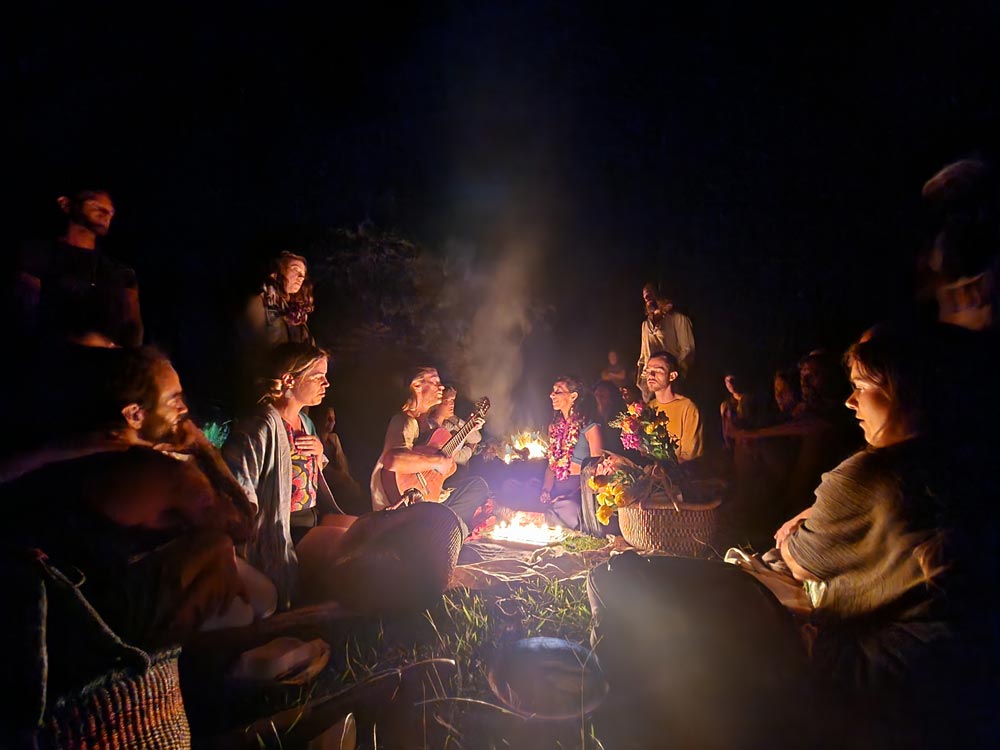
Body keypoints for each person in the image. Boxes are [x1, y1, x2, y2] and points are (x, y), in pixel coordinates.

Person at [0, 346, 263, 648]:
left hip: (65, 612)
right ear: (135, 415)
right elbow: (243, 524)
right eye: (173, 401)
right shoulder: (164, 475)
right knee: (222, 555)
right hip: (113, 631)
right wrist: (203, 448)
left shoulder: (76, 453)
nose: (183, 410)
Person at [224, 343, 352, 610]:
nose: (326, 383)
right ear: (289, 379)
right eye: (318, 376)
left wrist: (319, 451)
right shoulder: (259, 427)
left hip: (312, 515)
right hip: (285, 528)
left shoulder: (305, 423)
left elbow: (310, 471)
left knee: (364, 527)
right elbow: (236, 487)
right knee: (348, 546)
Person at [15, 188, 143, 347]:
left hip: (110, 365)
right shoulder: (38, 255)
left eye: (111, 211)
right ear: (65, 204)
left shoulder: (122, 272)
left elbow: (132, 329)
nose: (106, 213)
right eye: (96, 205)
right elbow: (25, 315)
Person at [370, 367, 489, 538]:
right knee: (456, 529)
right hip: (399, 508)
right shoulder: (404, 420)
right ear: (416, 386)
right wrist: (437, 461)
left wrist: (469, 427)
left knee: (477, 486)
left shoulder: (432, 428)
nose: (440, 387)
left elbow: (446, 461)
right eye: (434, 382)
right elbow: (393, 460)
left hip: (429, 498)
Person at [541, 375, 603, 529]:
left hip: (580, 490)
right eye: (553, 391)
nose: (552, 395)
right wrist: (546, 491)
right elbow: (551, 466)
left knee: (568, 507)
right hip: (557, 487)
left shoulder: (590, 426)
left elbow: (598, 466)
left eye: (558, 391)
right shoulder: (553, 427)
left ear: (573, 396)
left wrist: (573, 494)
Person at [241, 251, 316, 351]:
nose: (301, 277)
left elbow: (310, 354)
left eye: (303, 274)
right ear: (277, 271)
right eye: (295, 269)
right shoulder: (261, 302)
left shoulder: (298, 317)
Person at [637, 282, 695, 400]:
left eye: (650, 293)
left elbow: (688, 349)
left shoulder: (678, 319)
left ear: (659, 294)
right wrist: (640, 378)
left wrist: (674, 374)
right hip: (648, 384)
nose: (647, 298)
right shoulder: (645, 325)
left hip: (670, 383)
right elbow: (643, 355)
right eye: (645, 296)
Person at [644, 351, 703, 463]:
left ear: (672, 376)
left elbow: (688, 456)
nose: (651, 375)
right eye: (648, 371)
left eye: (658, 371)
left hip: (681, 476)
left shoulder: (687, 408)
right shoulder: (650, 407)